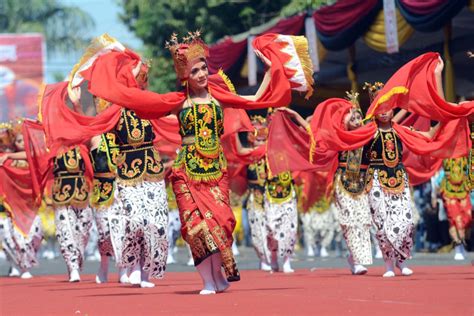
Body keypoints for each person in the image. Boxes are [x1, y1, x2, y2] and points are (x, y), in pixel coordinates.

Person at [0, 120, 43, 279]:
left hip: (31, 205)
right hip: (12, 207)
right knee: (12, 238)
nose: (22, 143)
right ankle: (19, 266)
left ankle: (23, 263)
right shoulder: (5, 160)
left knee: (36, 235)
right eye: (18, 140)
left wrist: (9, 155)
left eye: (25, 139)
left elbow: (32, 155)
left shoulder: (35, 155)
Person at [89, 132, 128, 283]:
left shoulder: (125, 133)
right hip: (102, 191)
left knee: (124, 231)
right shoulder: (96, 137)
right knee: (105, 232)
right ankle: (104, 264)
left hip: (123, 190)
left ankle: (123, 270)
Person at [439, 157, 471, 260]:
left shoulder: (465, 150)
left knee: (468, 217)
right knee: (454, 218)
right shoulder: (446, 151)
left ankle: (463, 242)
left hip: (463, 188)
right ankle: (457, 247)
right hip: (449, 190)